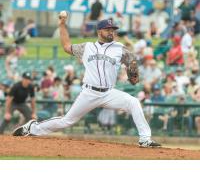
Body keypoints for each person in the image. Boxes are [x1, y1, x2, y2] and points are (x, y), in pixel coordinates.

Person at [12, 12, 161, 148]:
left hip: (109, 93)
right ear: (99, 31)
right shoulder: (87, 47)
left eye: (113, 29)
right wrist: (62, 25)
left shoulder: (119, 48)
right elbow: (66, 46)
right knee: (67, 121)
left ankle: (144, 139)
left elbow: (131, 62)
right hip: (89, 93)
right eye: (108, 29)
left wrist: (133, 71)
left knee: (133, 102)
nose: (111, 32)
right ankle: (32, 128)